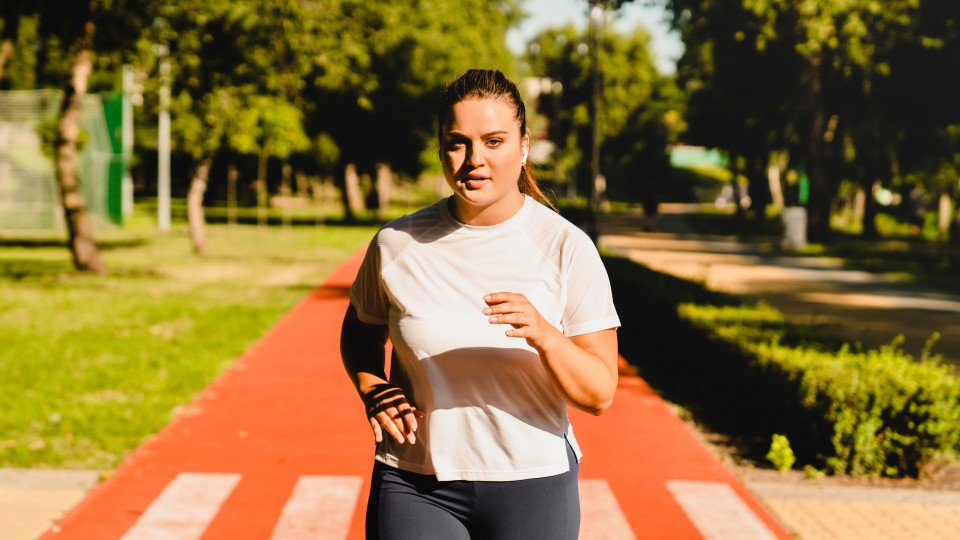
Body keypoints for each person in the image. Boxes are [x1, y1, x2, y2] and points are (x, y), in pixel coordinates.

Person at [340, 68, 621, 540]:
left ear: (524, 146)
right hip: (415, 482)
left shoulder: (565, 247)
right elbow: (361, 330)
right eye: (458, 142)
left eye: (494, 141)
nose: (474, 159)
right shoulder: (396, 243)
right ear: (441, 149)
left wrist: (545, 335)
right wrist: (372, 389)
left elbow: (600, 394)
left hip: (531, 481)